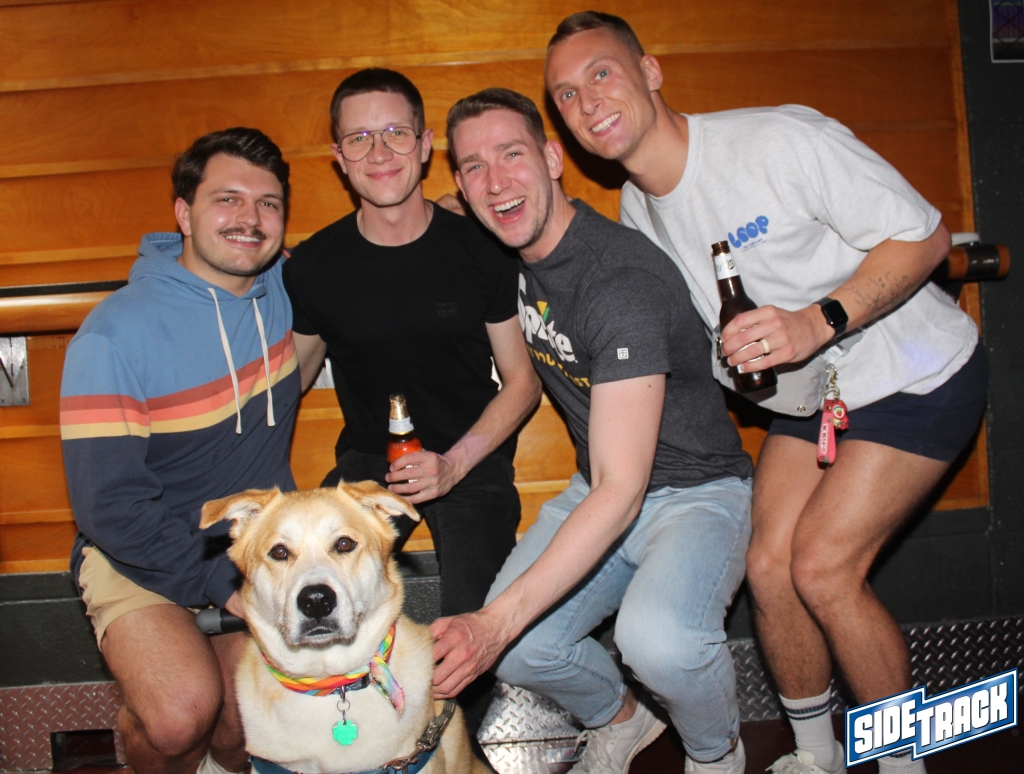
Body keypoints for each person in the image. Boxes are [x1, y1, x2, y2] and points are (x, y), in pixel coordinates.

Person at [543, 12, 987, 774]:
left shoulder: (777, 141)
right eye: (566, 95)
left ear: (650, 71)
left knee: (822, 566)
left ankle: (902, 761)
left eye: (602, 74)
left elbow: (925, 236)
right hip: (816, 400)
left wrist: (817, 322)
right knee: (769, 567)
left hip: (915, 371)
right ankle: (815, 755)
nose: (588, 102)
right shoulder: (638, 212)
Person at [433, 87, 755, 774]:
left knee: (658, 642)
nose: (496, 182)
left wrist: (490, 626)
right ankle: (622, 720)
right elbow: (456, 210)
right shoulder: (509, 242)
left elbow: (621, 488)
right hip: (600, 482)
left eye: (512, 155)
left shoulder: (619, 281)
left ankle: (716, 753)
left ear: (553, 159)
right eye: (474, 167)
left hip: (694, 492)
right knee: (525, 650)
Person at [281, 68, 541, 741]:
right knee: (318, 595)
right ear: (338, 157)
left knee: (471, 629)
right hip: (369, 463)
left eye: (396, 132)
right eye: (359, 138)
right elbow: (292, 378)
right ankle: (352, 740)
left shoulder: (479, 249)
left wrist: (455, 464)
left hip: (469, 455)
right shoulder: (313, 267)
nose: (379, 152)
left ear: (425, 146)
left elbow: (522, 381)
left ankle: (460, 746)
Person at [60, 128, 300, 774]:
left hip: (250, 542)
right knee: (178, 717)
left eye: (269, 203)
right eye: (227, 199)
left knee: (249, 724)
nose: (250, 219)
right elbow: (109, 508)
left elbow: (371, 247)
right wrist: (222, 585)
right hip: (133, 549)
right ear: (183, 213)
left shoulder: (285, 288)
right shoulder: (113, 334)